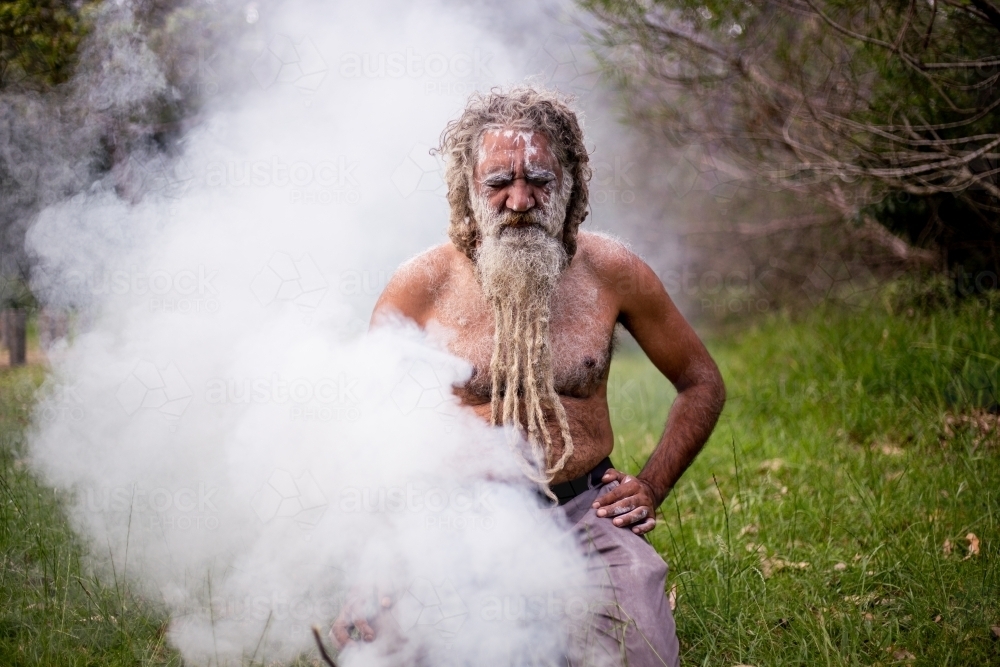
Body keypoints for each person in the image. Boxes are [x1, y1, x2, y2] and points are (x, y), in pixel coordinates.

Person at [344, 86, 725, 666]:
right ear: (468, 190)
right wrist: (376, 557)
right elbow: (365, 428)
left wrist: (651, 485)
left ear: (568, 186)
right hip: (457, 518)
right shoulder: (421, 284)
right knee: (380, 644)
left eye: (539, 181)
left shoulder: (612, 271)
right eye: (499, 182)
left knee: (644, 652)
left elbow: (701, 380)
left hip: (583, 512)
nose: (519, 200)